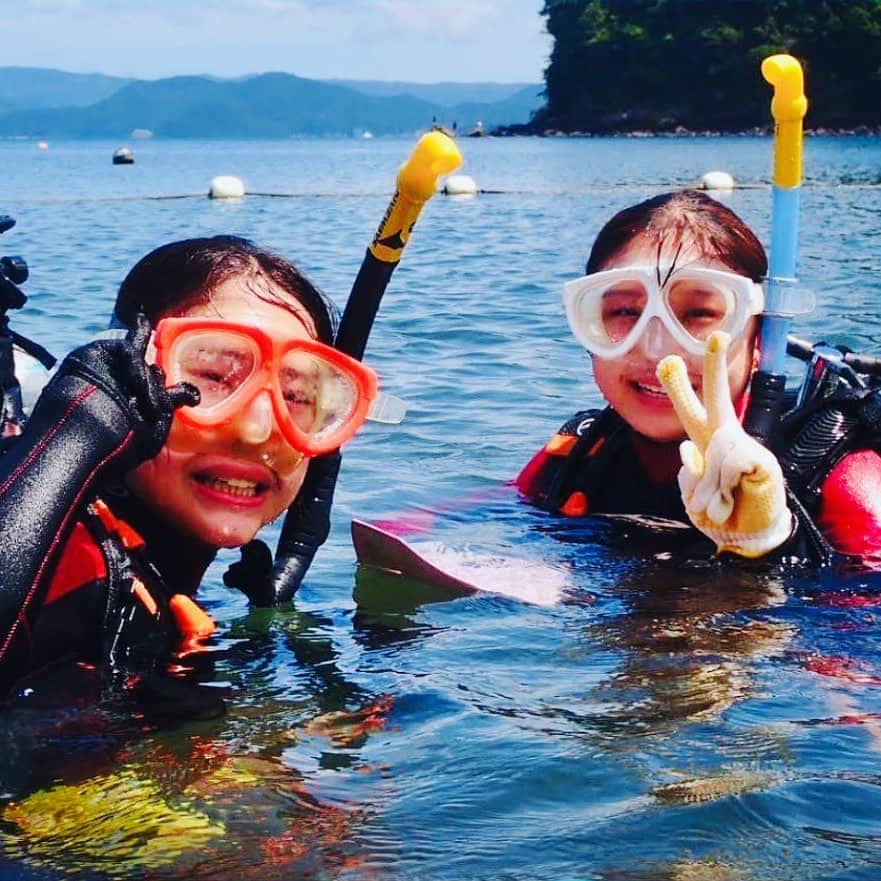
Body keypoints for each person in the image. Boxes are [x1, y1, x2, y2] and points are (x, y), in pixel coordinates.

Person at [0, 235, 378, 700]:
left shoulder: (143, 578)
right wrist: (77, 428)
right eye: (214, 378)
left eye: (298, 397)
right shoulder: (66, 557)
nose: (259, 429)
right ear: (124, 379)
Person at [516, 190, 881, 567]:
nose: (657, 351)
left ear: (761, 339)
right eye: (624, 311)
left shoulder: (846, 477)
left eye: (698, 314)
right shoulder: (575, 456)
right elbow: (472, 530)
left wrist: (773, 545)